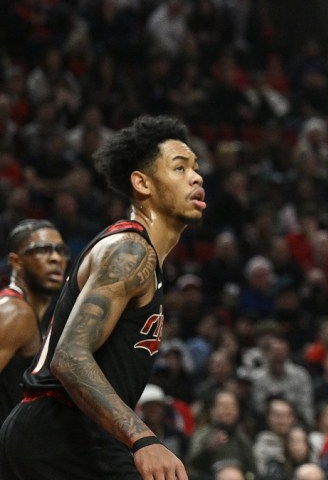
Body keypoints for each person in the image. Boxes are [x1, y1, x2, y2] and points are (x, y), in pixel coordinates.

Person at [0, 114, 204, 480]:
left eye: (195, 168)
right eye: (179, 168)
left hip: (68, 432)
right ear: (142, 183)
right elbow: (69, 355)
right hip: (61, 431)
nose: (196, 176)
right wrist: (142, 437)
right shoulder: (130, 251)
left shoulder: (142, 258)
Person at [0, 219, 67, 421]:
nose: (56, 258)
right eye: (42, 250)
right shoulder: (15, 312)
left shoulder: (32, 313)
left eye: (60, 250)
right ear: (16, 261)